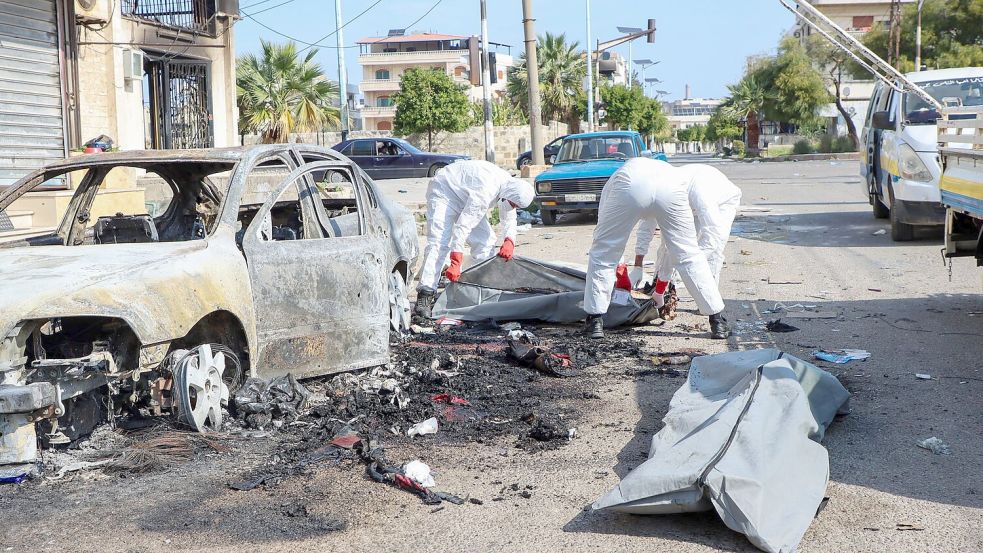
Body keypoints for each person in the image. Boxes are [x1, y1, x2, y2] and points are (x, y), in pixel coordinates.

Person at [584, 158, 732, 340]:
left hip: (632, 185)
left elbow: (607, 241)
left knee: (603, 253)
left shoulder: (616, 184)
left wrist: (622, 273)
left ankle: (595, 321)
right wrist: (653, 281)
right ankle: (717, 321)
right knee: (689, 254)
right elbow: (668, 247)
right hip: (670, 189)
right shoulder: (671, 176)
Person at [415, 160, 535, 317]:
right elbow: (463, 226)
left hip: (465, 195)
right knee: (439, 242)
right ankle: (425, 294)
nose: (513, 207)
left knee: (486, 241)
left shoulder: (510, 188)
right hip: (444, 190)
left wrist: (509, 240)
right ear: (510, 196)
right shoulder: (487, 190)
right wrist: (456, 261)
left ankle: (482, 287)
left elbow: (509, 217)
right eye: (513, 204)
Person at [631, 164, 742, 288]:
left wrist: (689, 267)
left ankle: (708, 302)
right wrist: (638, 265)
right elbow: (646, 227)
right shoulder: (659, 193)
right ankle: (660, 287)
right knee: (670, 243)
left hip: (722, 202)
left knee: (714, 252)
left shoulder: (701, 194)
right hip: (689, 203)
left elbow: (713, 236)